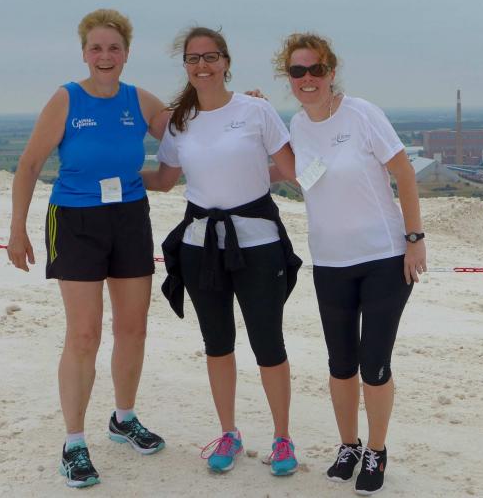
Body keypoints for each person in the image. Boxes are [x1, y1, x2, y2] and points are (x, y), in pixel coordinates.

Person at [6, 9, 167, 489]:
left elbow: (194, 128)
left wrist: (246, 105)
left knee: (133, 328)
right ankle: (74, 443)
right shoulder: (67, 98)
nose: (105, 56)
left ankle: (123, 418)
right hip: (75, 219)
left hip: (129, 217)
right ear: (84, 53)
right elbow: (30, 164)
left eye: (113, 48)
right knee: (84, 334)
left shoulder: (140, 99)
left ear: (126, 53)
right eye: (96, 48)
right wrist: (18, 229)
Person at [142, 27, 302, 476]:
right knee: (217, 344)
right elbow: (165, 179)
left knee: (268, 343)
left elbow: (293, 170)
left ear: (226, 62)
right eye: (194, 59)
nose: (202, 66)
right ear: (185, 66)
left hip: (259, 244)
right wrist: (112, 176)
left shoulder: (256, 110)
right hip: (200, 246)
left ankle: (282, 438)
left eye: (211, 57)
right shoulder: (179, 121)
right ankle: (229, 433)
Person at [273, 33, 426, 496]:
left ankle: (376, 449)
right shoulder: (298, 125)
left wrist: (414, 239)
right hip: (330, 262)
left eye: (315, 69)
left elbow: (404, 172)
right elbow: (298, 177)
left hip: (383, 258)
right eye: (297, 71)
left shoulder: (362, 114)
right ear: (289, 77)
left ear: (331, 72)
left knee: (373, 363)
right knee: (341, 363)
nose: (307, 79)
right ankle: (349, 446)